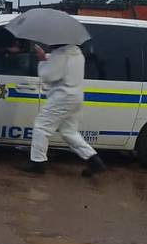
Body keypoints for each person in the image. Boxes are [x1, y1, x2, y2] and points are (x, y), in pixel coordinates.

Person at [20, 42, 106, 176]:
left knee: (42, 127)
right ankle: (93, 159)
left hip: (62, 97)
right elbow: (62, 66)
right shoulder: (76, 53)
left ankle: (38, 162)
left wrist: (42, 60)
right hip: (75, 96)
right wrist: (48, 57)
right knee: (68, 131)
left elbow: (48, 76)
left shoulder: (61, 54)